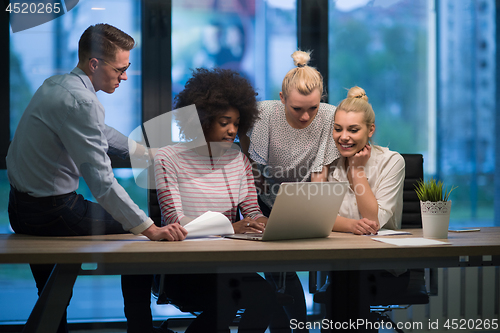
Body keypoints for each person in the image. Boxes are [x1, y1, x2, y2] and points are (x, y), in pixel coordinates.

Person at [6, 23, 187, 333]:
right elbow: (102, 182)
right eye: (120, 69)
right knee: (138, 236)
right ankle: (141, 327)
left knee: (52, 296)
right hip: (53, 213)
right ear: (94, 64)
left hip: (20, 209)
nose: (125, 76)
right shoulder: (84, 102)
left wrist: (146, 154)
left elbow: (101, 134)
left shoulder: (58, 85)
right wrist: (150, 228)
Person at [151, 67, 277, 333]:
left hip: (227, 265)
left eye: (236, 123)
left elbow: (252, 210)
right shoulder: (167, 158)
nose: (232, 131)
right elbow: (175, 223)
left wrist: (264, 222)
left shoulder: (239, 160)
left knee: (266, 296)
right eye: (224, 122)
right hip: (185, 270)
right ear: (202, 120)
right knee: (227, 300)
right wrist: (231, 228)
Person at [241, 50, 340, 332]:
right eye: (297, 109)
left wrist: (312, 210)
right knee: (278, 269)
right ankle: (299, 328)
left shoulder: (330, 115)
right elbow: (254, 169)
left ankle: (290, 329)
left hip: (304, 198)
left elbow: (320, 172)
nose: (306, 116)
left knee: (283, 273)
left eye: (313, 107)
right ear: (282, 99)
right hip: (265, 198)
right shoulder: (264, 113)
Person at [323, 86, 407, 332]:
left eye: (353, 130)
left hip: (385, 269)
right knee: (341, 287)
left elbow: (373, 222)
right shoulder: (329, 164)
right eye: (338, 129)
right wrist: (350, 225)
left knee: (347, 291)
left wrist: (357, 171)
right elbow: (320, 217)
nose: (343, 137)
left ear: (370, 130)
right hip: (341, 266)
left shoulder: (392, 162)